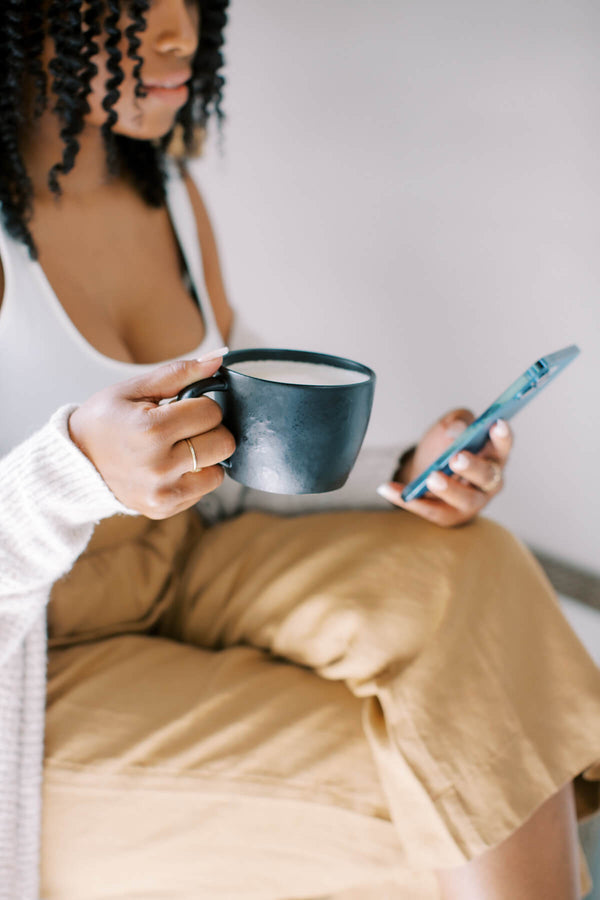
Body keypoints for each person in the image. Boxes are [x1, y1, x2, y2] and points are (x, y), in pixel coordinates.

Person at [1, 2, 599, 899]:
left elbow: (236, 447)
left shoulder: (166, 191)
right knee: (439, 802)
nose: (179, 34)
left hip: (190, 560)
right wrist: (76, 468)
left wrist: (398, 471)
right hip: (38, 660)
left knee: (466, 561)